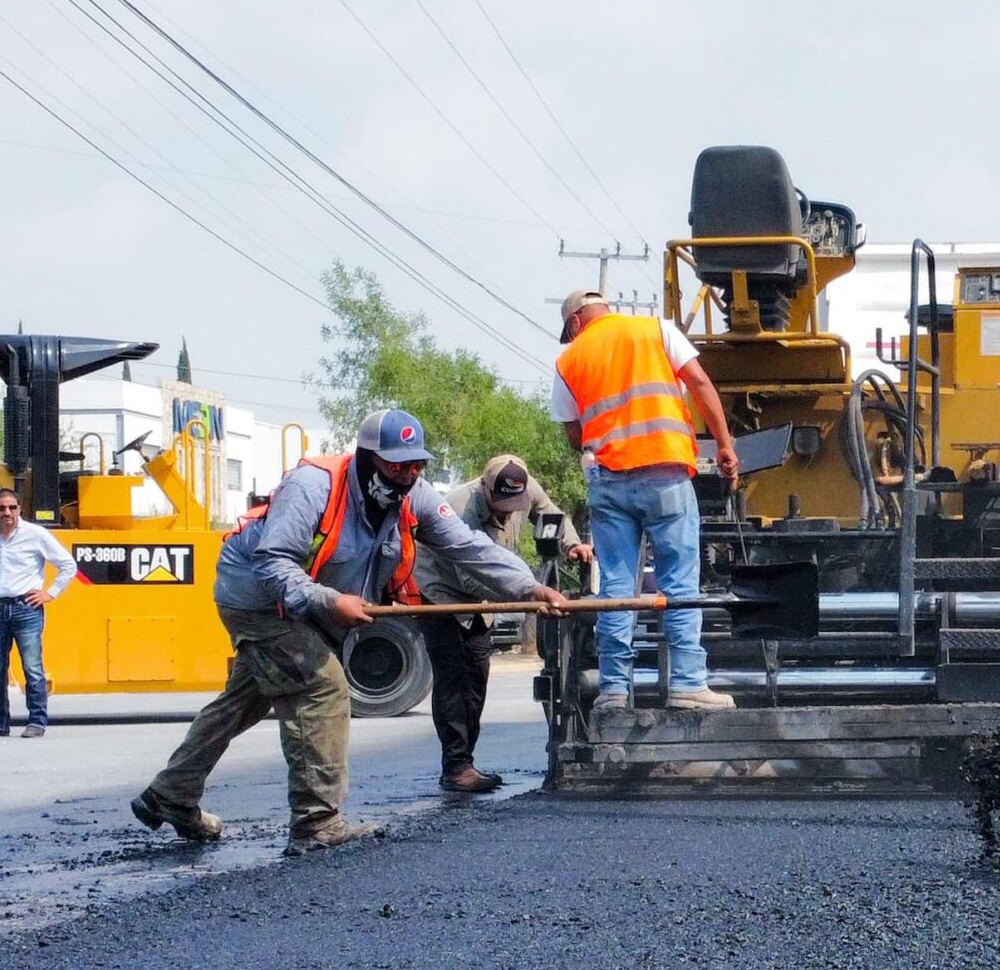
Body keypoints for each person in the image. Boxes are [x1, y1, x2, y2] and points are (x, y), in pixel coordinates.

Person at [131, 408, 569, 853]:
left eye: (416, 465)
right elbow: (272, 562)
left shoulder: (414, 494)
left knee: (245, 700)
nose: (407, 475)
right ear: (367, 458)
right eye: (396, 465)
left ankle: (171, 793)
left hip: (304, 602)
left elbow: (468, 546)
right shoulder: (312, 487)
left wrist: (529, 587)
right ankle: (316, 822)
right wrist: (329, 601)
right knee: (321, 688)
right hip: (258, 600)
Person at [549, 288, 740, 730]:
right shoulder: (656, 329)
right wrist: (725, 445)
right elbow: (700, 384)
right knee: (678, 580)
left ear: (575, 322)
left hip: (608, 482)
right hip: (665, 475)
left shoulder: (569, 359)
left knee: (616, 586)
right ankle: (687, 684)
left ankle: (614, 690)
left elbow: (574, 435)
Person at [412, 453, 593, 793]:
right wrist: (529, 595)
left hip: (487, 591)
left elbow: (551, 513)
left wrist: (572, 545)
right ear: (485, 488)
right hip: (442, 592)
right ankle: (456, 768)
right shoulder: (459, 508)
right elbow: (470, 574)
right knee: (453, 678)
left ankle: (465, 761)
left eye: (514, 505)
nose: (508, 513)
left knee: (477, 675)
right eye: (501, 505)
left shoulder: (525, 486)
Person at [0, 486, 77, 738]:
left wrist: (50, 593)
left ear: (20, 509)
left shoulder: (35, 534)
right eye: (2, 508)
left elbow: (68, 565)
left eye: (12, 507)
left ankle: (36, 722)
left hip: (26, 609)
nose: (7, 512)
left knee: (33, 668)